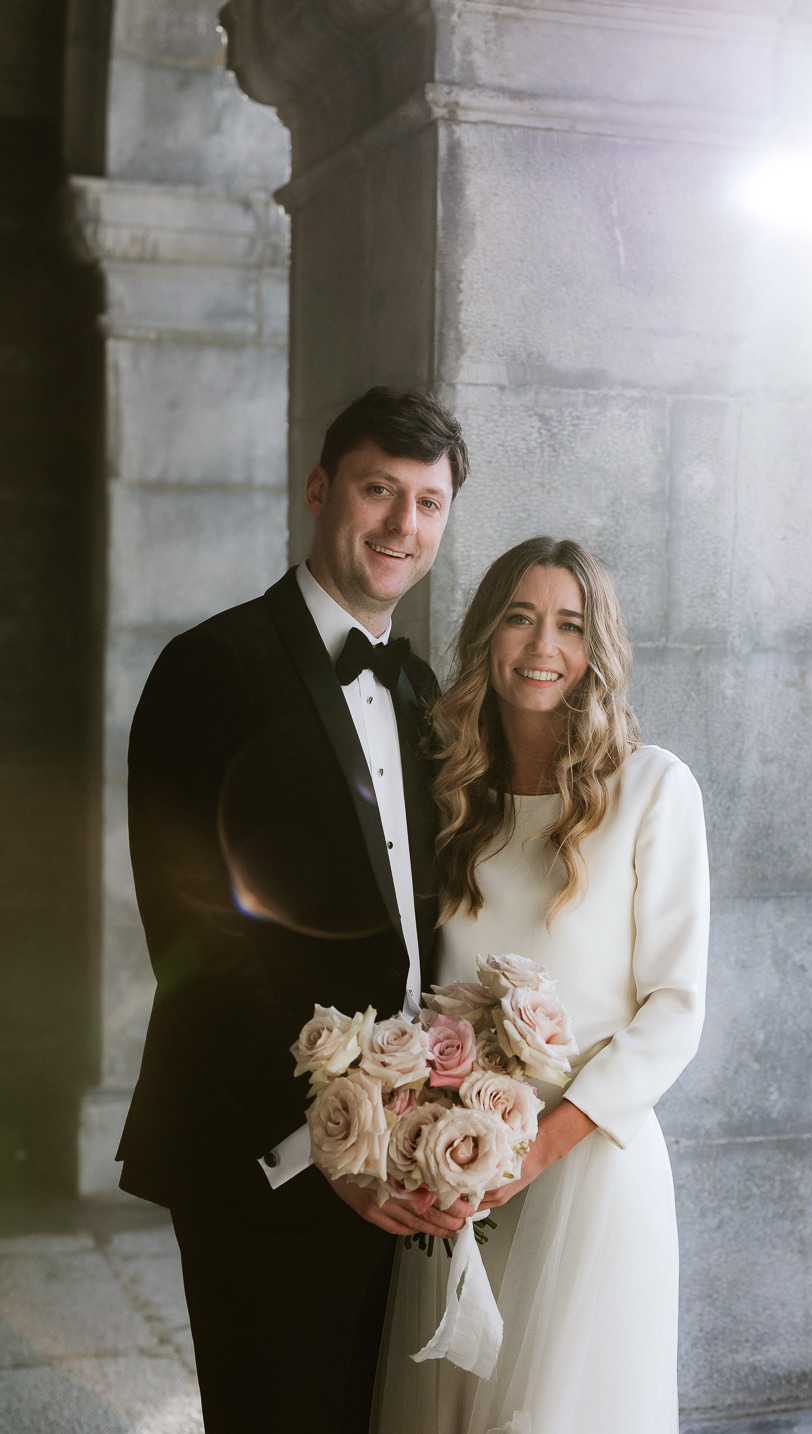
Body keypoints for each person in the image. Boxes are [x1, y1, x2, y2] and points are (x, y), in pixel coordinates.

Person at [117, 387, 476, 1433]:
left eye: (428, 502)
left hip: (405, 1164)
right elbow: (193, 935)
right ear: (320, 490)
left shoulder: (421, 692)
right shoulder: (209, 668)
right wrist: (323, 1139)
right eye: (378, 490)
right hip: (261, 1157)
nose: (402, 524)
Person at [373, 536, 710, 1434]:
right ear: (488, 633)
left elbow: (675, 1011)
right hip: (462, 1172)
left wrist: (536, 1151)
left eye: (568, 624)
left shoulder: (652, 788)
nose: (541, 646)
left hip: (588, 1174)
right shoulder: (451, 794)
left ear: (597, 648)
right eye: (520, 618)